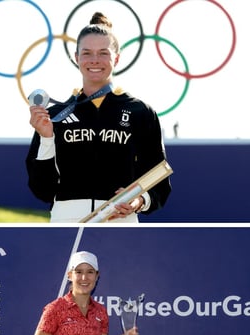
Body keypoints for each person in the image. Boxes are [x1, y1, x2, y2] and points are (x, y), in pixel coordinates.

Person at [26, 13, 171, 222]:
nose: (95, 60)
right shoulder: (55, 116)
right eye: (87, 53)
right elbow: (42, 189)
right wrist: (47, 138)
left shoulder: (141, 112)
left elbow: (159, 179)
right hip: (67, 222)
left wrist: (139, 200)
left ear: (117, 58)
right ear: (76, 58)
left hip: (120, 221)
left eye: (103, 53)